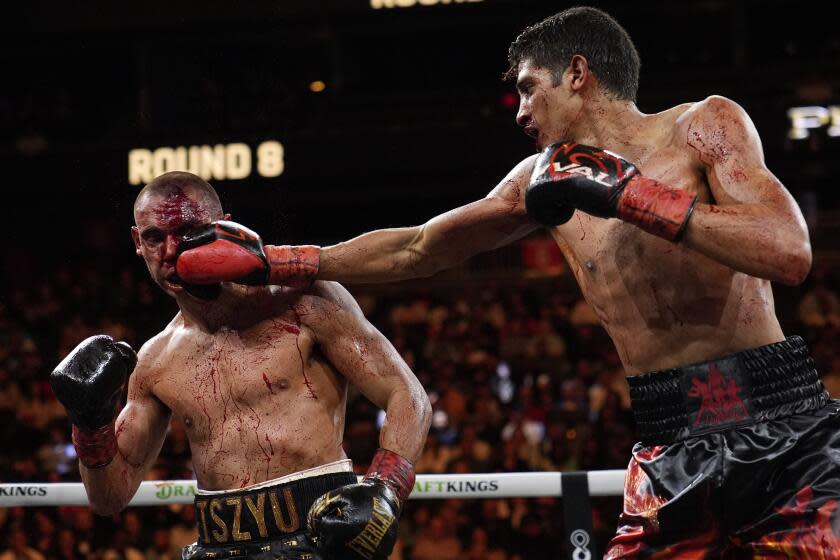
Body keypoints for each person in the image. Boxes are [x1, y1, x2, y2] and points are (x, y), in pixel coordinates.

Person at [173, 6, 840, 557]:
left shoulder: (703, 127)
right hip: (667, 439)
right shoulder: (537, 182)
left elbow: (788, 252)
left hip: (784, 424)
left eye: (527, 86)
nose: (517, 109)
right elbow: (417, 249)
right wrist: (276, 262)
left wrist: (633, 197)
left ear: (577, 73)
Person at [50, 171, 432, 560]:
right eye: (154, 237)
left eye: (186, 233)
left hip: (321, 534)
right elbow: (110, 497)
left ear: (222, 229)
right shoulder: (155, 361)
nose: (170, 252)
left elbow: (408, 395)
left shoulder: (304, 304)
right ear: (137, 242)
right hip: (219, 545)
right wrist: (90, 427)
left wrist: (385, 488)